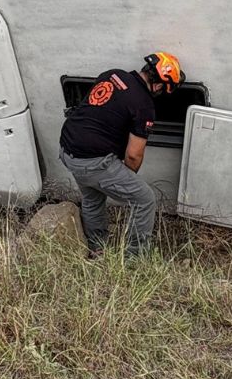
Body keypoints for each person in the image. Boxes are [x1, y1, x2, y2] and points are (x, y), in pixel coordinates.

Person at [59, 52, 186, 257]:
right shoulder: (144, 105)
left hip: (67, 149)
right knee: (144, 199)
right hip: (93, 161)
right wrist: (124, 179)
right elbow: (134, 156)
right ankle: (133, 258)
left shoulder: (113, 74)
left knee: (92, 197)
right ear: (159, 84)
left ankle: (97, 248)